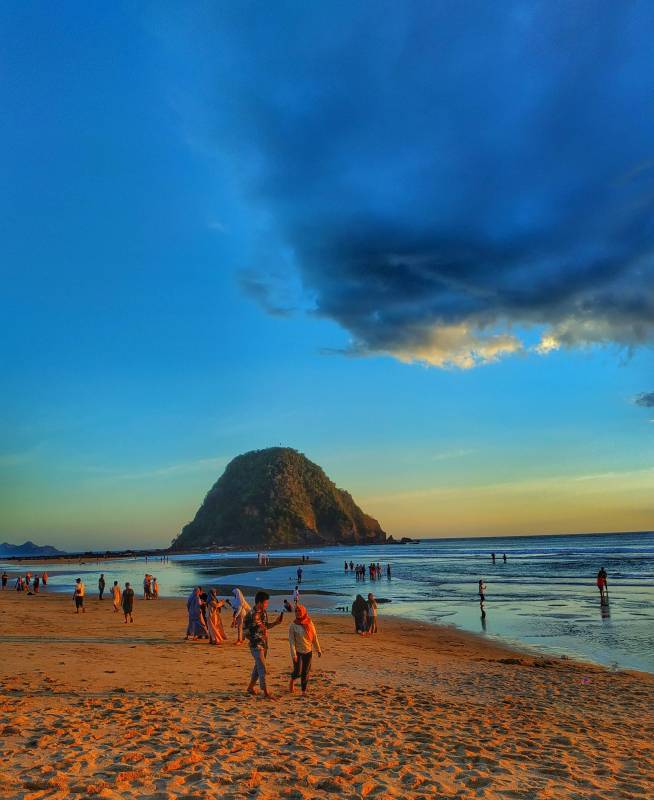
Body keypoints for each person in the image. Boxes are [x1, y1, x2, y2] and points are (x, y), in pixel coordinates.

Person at [244, 590, 284, 699]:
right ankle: (265, 692)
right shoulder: (249, 615)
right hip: (256, 645)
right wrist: (258, 635)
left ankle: (250, 687)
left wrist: (276, 623)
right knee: (262, 668)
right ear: (260, 603)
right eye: (266, 603)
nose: (267, 605)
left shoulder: (264, 613)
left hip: (264, 644)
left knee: (258, 667)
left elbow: (266, 626)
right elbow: (245, 633)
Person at [288, 604, 322, 695]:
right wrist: (294, 654)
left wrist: (318, 649)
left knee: (305, 671)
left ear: (303, 611)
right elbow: (291, 642)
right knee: (298, 671)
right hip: (298, 652)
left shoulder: (310, 623)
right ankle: (292, 680)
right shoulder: (293, 626)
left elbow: (314, 637)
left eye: (299, 611)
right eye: (296, 611)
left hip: (308, 651)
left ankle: (303, 691)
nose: (298, 613)